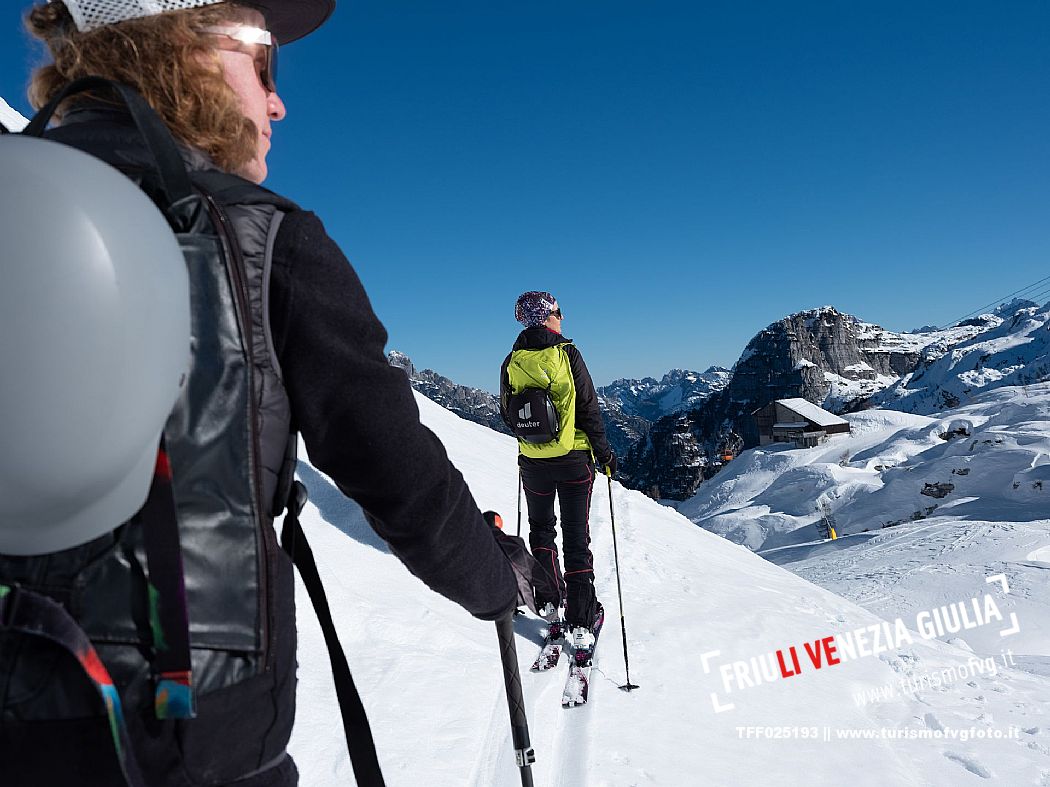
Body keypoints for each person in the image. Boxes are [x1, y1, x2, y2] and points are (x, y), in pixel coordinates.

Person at [0, 2, 530, 785]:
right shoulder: (262, 240)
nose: (279, 101)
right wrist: (495, 577)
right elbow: (398, 475)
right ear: (185, 53)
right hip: (191, 735)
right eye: (264, 65)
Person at [499, 291, 616, 650]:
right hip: (574, 461)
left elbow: (507, 413)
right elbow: (589, 410)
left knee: (541, 531)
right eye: (558, 312)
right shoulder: (567, 354)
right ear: (546, 316)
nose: (562, 318)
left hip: (533, 463)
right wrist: (606, 455)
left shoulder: (512, 360)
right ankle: (581, 619)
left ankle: (549, 602)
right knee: (576, 540)